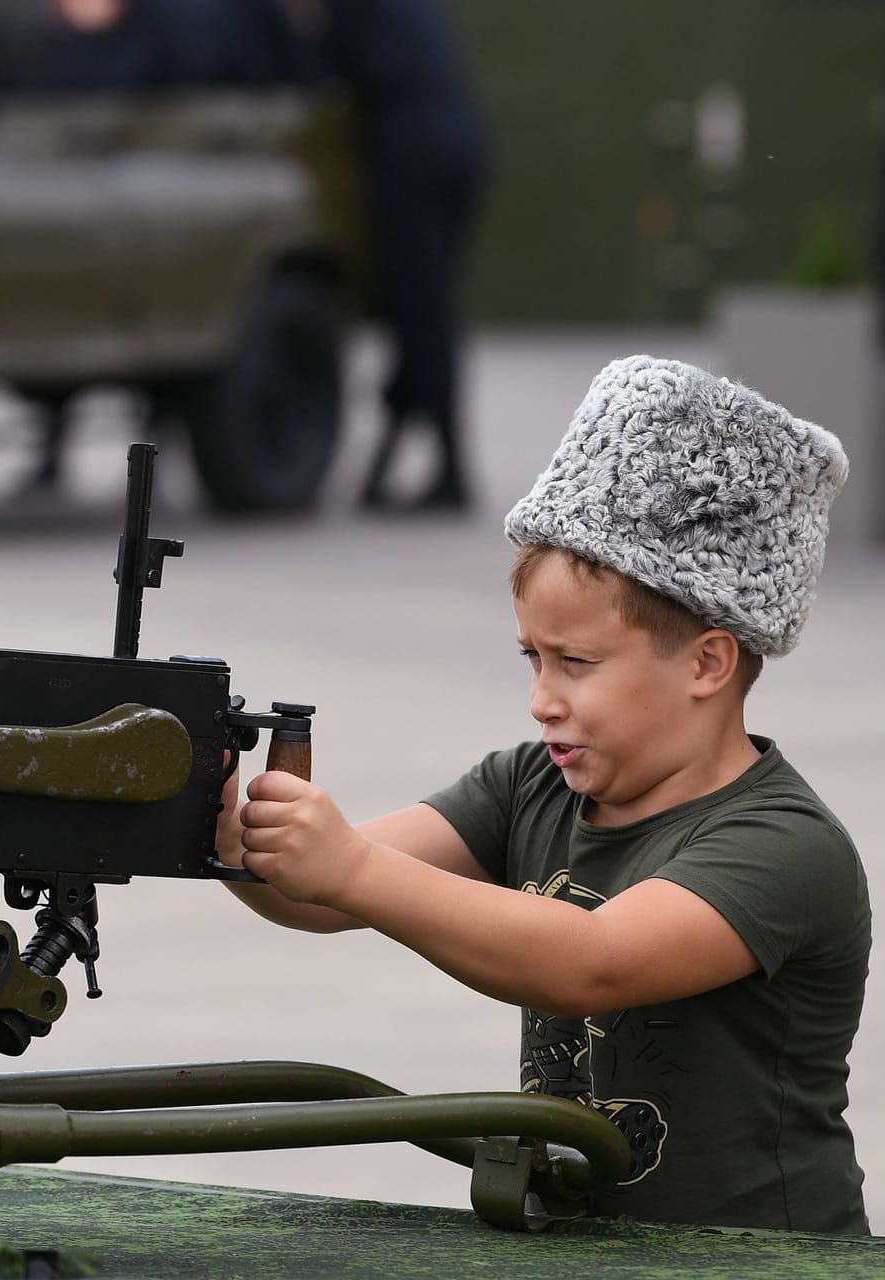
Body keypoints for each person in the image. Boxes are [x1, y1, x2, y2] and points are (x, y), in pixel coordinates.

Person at [216, 355, 867, 1232]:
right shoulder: (533, 783)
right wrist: (220, 826)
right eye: (534, 656)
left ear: (708, 663)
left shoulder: (786, 846)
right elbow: (317, 894)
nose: (542, 698)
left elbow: (588, 964)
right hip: (583, 1248)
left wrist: (346, 864)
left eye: (577, 664)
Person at [294, 0, 489, 512]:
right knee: (425, 310)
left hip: (414, 150)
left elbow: (332, 68)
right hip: (454, 140)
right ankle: (419, 463)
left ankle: (450, 470)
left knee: (423, 313)